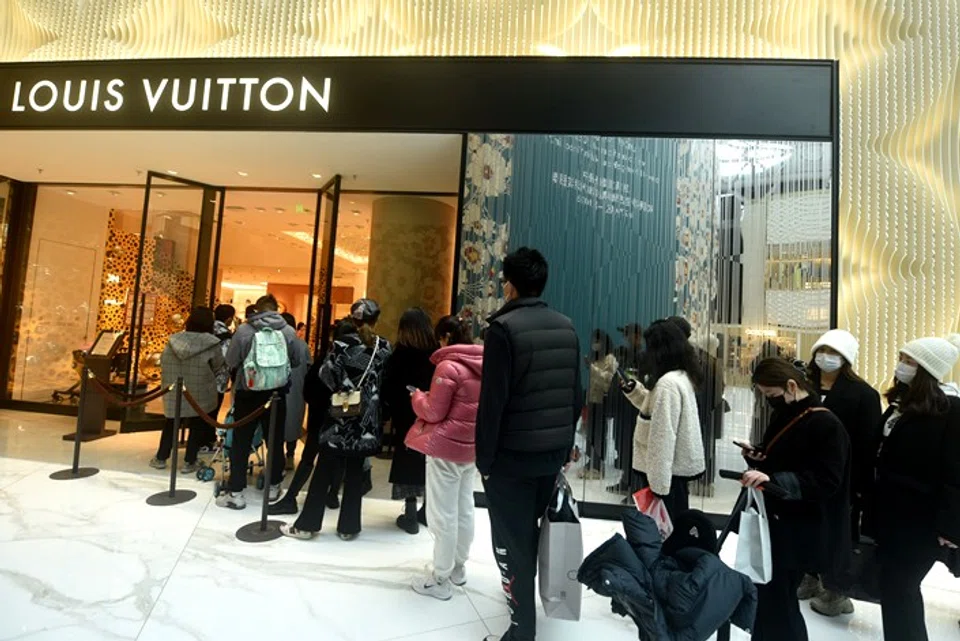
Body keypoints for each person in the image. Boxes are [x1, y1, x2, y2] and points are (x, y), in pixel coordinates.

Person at [477, 247, 581, 641]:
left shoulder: (503, 331)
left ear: (510, 284)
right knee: (537, 534)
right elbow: (575, 396)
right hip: (550, 458)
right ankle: (530, 609)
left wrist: (484, 460)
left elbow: (493, 406)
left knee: (513, 543)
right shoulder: (567, 326)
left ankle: (521, 630)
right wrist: (563, 447)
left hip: (510, 461)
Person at [741, 357, 851, 641]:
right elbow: (782, 455)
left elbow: (827, 480)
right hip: (777, 521)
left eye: (771, 395)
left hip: (802, 528)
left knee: (780, 600)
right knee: (768, 594)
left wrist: (774, 480)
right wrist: (759, 456)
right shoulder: (788, 413)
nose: (769, 402)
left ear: (791, 385)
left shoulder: (827, 424)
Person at [865, 335, 960, 641]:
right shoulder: (900, 403)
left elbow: (955, 472)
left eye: (909, 361)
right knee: (894, 589)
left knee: (901, 588)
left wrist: (950, 525)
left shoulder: (950, 409)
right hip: (892, 514)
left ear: (927, 368)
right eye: (902, 358)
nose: (901, 366)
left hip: (921, 520)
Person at [280, 299, 391, 541]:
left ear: (353, 319)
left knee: (324, 469)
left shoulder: (341, 345)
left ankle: (308, 524)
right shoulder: (384, 347)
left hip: (341, 414)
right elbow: (385, 380)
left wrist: (344, 388)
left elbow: (327, 376)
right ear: (376, 319)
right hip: (367, 417)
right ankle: (349, 527)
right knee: (354, 471)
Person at [800, 329, 881, 616]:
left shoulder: (863, 395)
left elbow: (868, 443)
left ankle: (836, 591)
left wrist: (859, 486)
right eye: (822, 351)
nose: (826, 358)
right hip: (805, 473)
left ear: (845, 358)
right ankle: (809, 576)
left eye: (834, 353)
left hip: (842, 478)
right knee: (807, 527)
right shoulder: (803, 386)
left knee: (837, 533)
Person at [407, 315, 483, 600]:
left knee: (442, 514)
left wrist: (417, 397)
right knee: (465, 508)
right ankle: (458, 568)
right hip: (470, 447)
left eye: (439, 338)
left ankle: (440, 577)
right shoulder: (482, 365)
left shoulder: (448, 366)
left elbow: (433, 412)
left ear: (447, 337)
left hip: (446, 448)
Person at [217, 294, 301, 510]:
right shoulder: (289, 331)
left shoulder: (245, 331)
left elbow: (231, 360)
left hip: (248, 393)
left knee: (241, 441)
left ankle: (236, 491)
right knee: (274, 440)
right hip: (277, 394)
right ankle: (273, 486)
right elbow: (296, 360)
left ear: (257, 309)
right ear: (276, 310)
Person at [269, 318, 354, 516]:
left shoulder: (326, 359)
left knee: (309, 456)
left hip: (320, 416)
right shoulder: (354, 363)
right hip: (343, 417)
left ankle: (291, 498)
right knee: (339, 457)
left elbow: (309, 389)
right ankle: (332, 495)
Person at [621, 319, 705, 519]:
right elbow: (654, 410)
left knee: (664, 533)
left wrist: (658, 487)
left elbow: (663, 436)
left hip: (665, 476)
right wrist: (635, 391)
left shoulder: (667, 384)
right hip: (671, 473)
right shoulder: (679, 376)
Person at [382, 308, 438, 534]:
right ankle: (428, 510)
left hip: (405, 416)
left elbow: (389, 387)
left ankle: (410, 510)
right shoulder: (436, 353)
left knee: (406, 456)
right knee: (430, 459)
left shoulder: (400, 354)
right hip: (432, 414)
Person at [149, 307, 225, 473]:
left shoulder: (173, 340)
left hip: (175, 387)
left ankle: (161, 457)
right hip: (200, 389)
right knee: (197, 424)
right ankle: (190, 461)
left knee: (171, 422)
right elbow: (219, 366)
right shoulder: (212, 343)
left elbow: (164, 362)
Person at [667, 316, 726, 496]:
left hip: (701, 414)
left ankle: (702, 480)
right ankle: (703, 481)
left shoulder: (700, 362)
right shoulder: (709, 362)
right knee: (705, 447)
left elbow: (710, 390)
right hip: (705, 413)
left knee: (702, 447)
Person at [608, 322, 649, 496]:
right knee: (622, 443)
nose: (627, 338)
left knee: (632, 446)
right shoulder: (624, 354)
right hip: (623, 406)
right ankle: (626, 480)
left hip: (635, 408)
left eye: (630, 335)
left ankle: (634, 486)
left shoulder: (644, 357)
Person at [582, 329, 618, 479]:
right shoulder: (596, 358)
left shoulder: (610, 359)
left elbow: (607, 380)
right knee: (590, 431)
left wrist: (592, 367)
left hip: (602, 401)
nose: (595, 344)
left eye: (598, 341)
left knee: (599, 432)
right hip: (592, 400)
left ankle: (598, 462)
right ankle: (591, 459)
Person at [281, 312, 311, 472]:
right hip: (296, 390)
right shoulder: (301, 345)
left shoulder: (274, 343)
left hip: (279, 389)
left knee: (276, 424)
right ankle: (290, 456)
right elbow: (309, 366)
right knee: (293, 422)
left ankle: (277, 457)